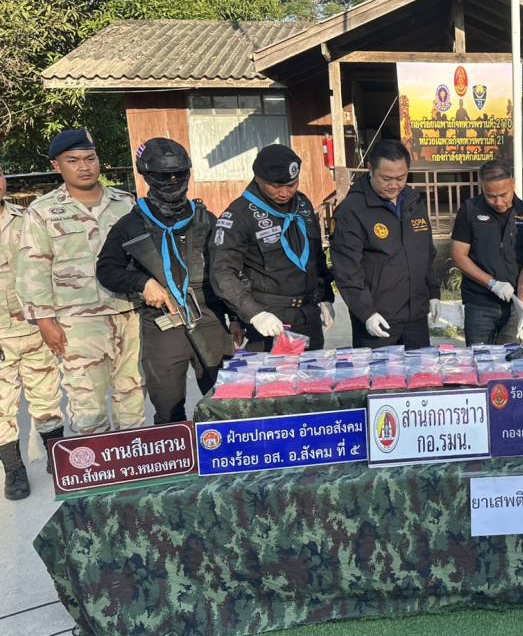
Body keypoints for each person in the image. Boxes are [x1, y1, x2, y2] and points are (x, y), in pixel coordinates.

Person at [96, 138, 235, 423]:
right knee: (168, 410)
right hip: (163, 321)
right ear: (147, 176)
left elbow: (227, 269)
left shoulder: (204, 219)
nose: (172, 181)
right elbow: (106, 269)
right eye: (163, 175)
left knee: (227, 403)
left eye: (179, 174)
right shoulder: (131, 224)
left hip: (208, 315)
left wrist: (235, 318)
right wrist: (142, 283)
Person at [17, 129, 145, 435]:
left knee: (133, 395)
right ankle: (94, 461)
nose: (84, 166)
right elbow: (33, 269)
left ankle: (134, 456)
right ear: (57, 166)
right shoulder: (43, 211)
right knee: (88, 404)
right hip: (78, 322)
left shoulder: (125, 203)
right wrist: (45, 321)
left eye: (90, 158)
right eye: (73, 160)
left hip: (128, 312)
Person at [211, 144, 335, 351]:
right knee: (276, 373)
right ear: (258, 178)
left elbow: (315, 256)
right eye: (276, 186)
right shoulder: (239, 215)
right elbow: (222, 272)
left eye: (292, 184)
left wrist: (325, 296)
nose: (285, 193)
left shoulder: (302, 205)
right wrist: (254, 313)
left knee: (314, 372)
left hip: (308, 316)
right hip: (270, 320)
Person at [331, 139, 440, 349]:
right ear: (370, 169)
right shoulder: (352, 210)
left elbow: (426, 253)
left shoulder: (413, 201)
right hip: (377, 320)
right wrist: (366, 313)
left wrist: (433, 293)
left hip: (416, 318)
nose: (394, 185)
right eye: (386, 178)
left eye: (401, 178)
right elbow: (347, 270)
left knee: (421, 369)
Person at [0, 171, 64, 500]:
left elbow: (44, 268)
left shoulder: (26, 218)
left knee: (47, 396)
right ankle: (14, 470)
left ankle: (57, 457)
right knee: (2, 408)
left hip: (33, 326)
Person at [451, 160, 523, 345]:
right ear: (482, 186)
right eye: (490, 196)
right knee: (479, 357)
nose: (498, 202)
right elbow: (459, 256)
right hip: (479, 303)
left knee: (509, 358)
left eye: (503, 195)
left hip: (513, 305)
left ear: (513, 183)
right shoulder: (470, 210)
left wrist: (522, 296)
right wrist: (492, 284)